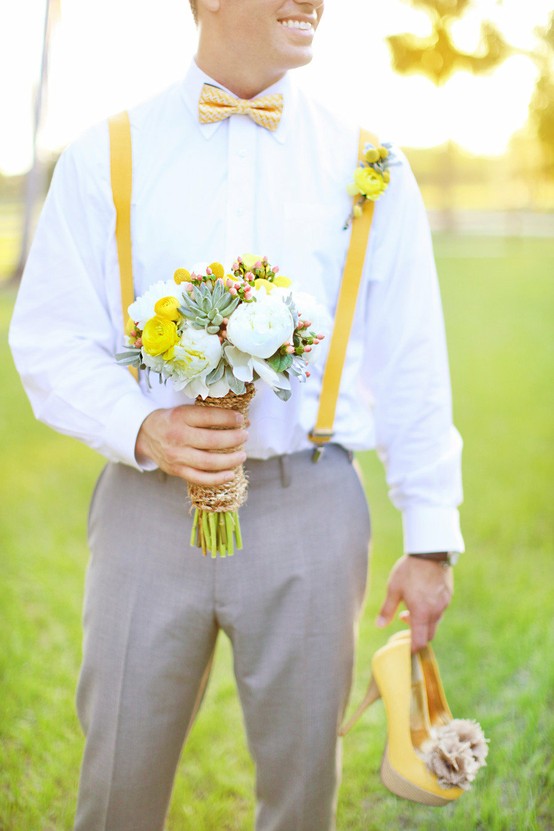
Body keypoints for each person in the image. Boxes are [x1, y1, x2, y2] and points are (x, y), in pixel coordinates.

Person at [9, 1, 464, 829]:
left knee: (302, 795)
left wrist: (430, 540)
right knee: (116, 783)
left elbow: (413, 363)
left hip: (313, 513)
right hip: (145, 513)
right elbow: (47, 337)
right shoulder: (107, 152)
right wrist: (146, 426)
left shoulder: (371, 164)